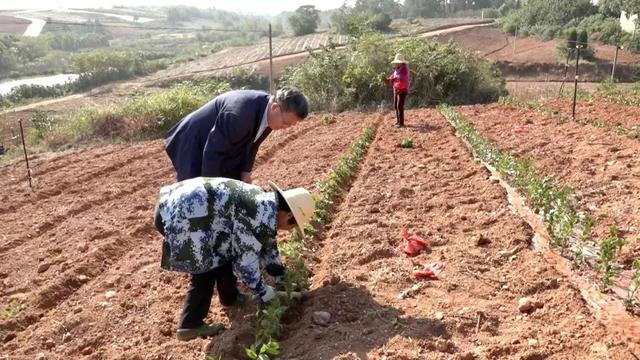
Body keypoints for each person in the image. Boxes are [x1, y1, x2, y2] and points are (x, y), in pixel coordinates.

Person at [154, 177, 315, 341]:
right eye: (293, 226)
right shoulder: (257, 216)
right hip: (177, 215)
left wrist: (281, 274)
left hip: (184, 205)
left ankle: (230, 298)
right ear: (288, 216)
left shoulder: (266, 204)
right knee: (205, 269)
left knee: (224, 249)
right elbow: (245, 264)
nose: (289, 230)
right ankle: (190, 325)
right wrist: (264, 292)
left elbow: (268, 244)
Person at [165, 87, 310, 183]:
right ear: (275, 107)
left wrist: (245, 171)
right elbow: (213, 153)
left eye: (291, 125)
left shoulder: (271, 116)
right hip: (193, 140)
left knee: (230, 180)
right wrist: (212, 189)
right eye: (286, 123)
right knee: (195, 189)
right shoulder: (240, 115)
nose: (285, 128)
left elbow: (253, 144)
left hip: (216, 140)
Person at [386, 54, 411, 128]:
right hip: (396, 88)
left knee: (399, 106)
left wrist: (392, 79)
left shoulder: (404, 69)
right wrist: (388, 80)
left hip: (402, 89)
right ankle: (398, 121)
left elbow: (400, 77)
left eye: (397, 62)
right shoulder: (397, 69)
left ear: (401, 62)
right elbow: (393, 76)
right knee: (396, 106)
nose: (396, 64)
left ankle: (401, 123)